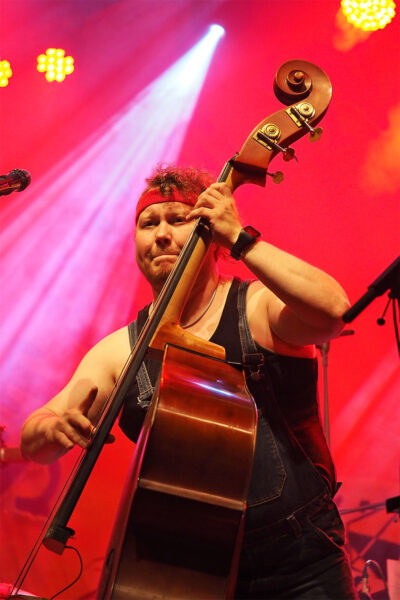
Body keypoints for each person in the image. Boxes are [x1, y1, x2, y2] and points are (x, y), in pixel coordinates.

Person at [20, 165, 357, 599]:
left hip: (300, 567)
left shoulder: (255, 307)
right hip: (187, 576)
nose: (161, 234)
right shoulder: (122, 350)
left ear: (209, 228)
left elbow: (333, 311)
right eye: (148, 223)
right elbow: (35, 440)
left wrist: (241, 238)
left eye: (177, 220)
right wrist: (51, 427)